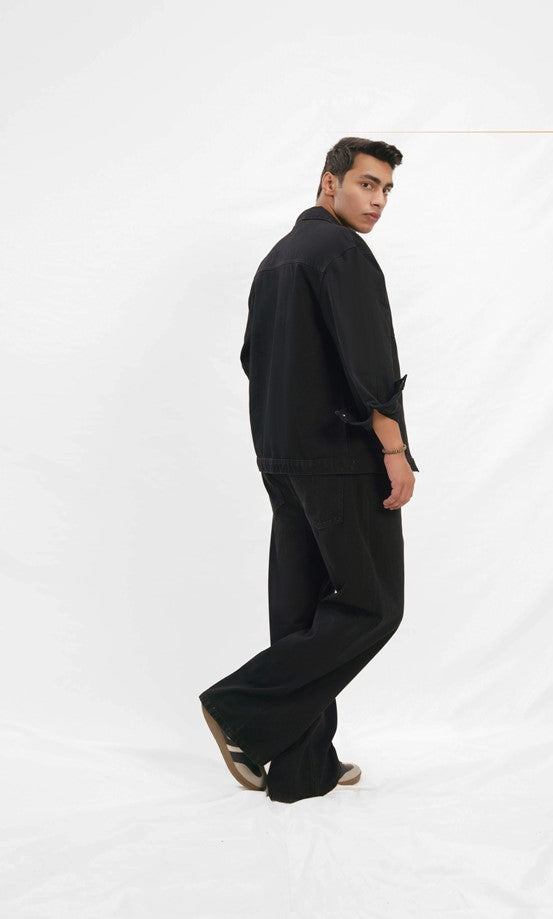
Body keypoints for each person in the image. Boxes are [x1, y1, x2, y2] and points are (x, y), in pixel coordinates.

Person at [199, 136, 418, 803]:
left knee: (301, 609)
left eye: (386, 189)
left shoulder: (278, 258)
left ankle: (302, 768)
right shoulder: (343, 253)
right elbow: (372, 367)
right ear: (330, 183)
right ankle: (239, 706)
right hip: (339, 458)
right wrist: (394, 450)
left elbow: (252, 358)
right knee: (373, 604)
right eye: (367, 184)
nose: (377, 201)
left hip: (282, 456)